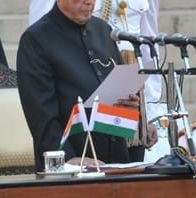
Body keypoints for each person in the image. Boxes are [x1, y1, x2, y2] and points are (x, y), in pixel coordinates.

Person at [29, 0, 165, 163]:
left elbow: (118, 89)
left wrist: (138, 116)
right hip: (71, 161)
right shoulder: (36, 39)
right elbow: (40, 114)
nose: (89, 2)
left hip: (117, 155)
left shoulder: (105, 31)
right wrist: (68, 158)